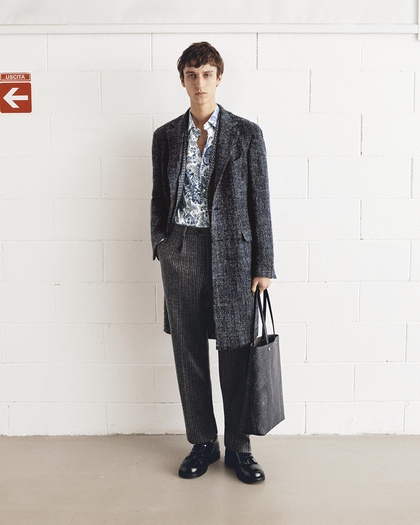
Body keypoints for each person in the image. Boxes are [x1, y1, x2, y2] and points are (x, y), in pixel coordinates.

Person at [150, 41, 276, 484]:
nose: (199, 82)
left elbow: (260, 202)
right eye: (191, 74)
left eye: (207, 73)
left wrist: (264, 263)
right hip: (181, 249)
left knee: (235, 352)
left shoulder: (246, 134)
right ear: (182, 79)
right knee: (188, 351)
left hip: (234, 254)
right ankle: (203, 441)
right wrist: (162, 244)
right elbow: (159, 198)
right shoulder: (165, 136)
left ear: (219, 78)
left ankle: (238, 448)